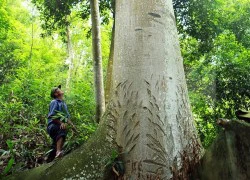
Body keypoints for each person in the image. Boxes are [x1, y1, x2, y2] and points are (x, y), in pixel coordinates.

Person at [46, 85, 77, 162]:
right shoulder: (54, 102)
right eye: (58, 89)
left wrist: (73, 128)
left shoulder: (63, 104)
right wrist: (61, 123)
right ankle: (58, 152)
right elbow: (52, 116)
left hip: (58, 125)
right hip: (53, 125)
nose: (60, 89)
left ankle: (49, 160)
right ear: (56, 94)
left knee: (55, 144)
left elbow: (67, 118)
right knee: (62, 129)